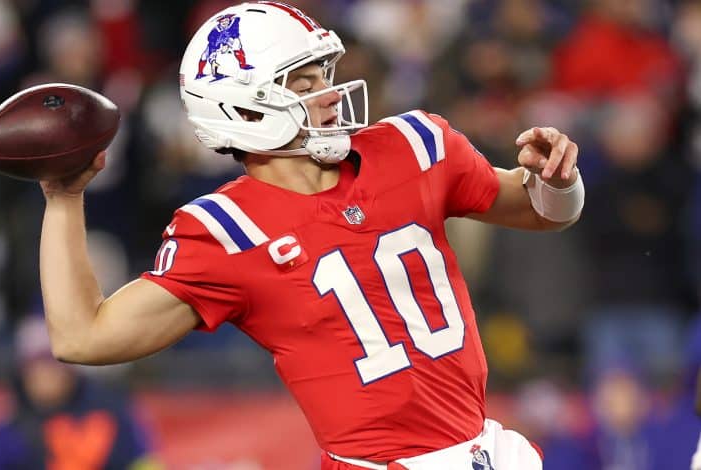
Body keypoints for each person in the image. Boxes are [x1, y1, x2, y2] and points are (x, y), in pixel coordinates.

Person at [38, 2, 584, 469]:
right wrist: (64, 200)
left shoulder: (412, 144)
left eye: (323, 74)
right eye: (303, 83)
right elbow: (81, 337)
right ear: (243, 109)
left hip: (486, 449)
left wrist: (557, 178)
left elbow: (542, 212)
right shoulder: (224, 231)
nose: (328, 93)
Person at [0, 315, 161, 470]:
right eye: (37, 367)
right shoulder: (7, 425)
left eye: (53, 366)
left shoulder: (111, 410)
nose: (46, 376)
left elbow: (143, 461)